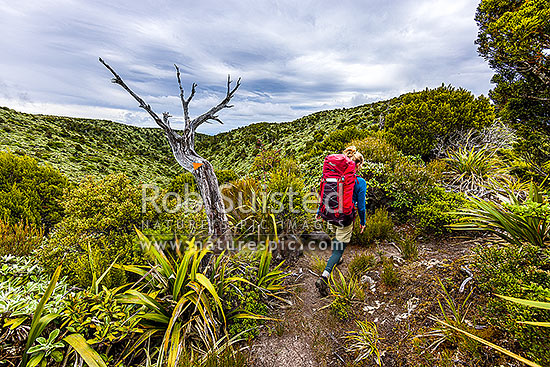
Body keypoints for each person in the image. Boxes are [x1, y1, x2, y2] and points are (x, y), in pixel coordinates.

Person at [315, 146, 366, 297]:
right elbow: (361, 207)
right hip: (344, 218)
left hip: (329, 214)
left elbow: (323, 193)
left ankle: (338, 258)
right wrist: (363, 222)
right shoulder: (360, 182)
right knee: (339, 247)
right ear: (358, 165)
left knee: (336, 238)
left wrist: (319, 212)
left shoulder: (332, 177)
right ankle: (324, 277)